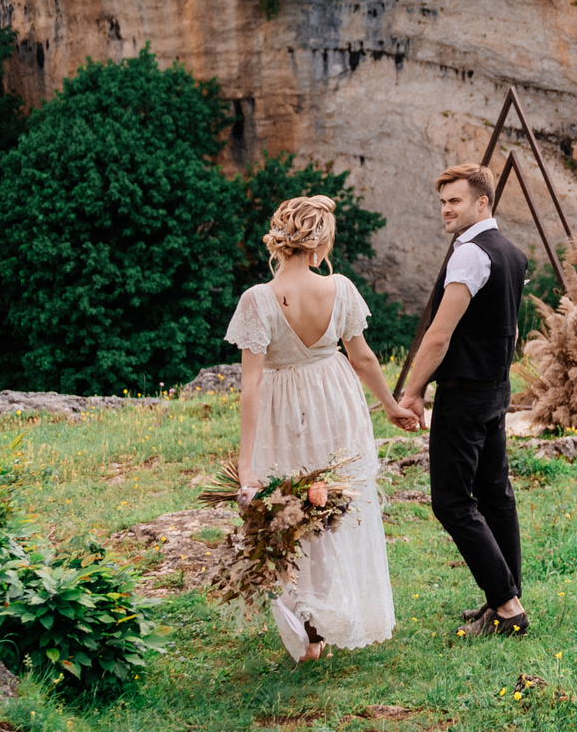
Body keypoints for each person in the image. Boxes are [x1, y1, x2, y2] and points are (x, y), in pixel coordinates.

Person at [224, 194, 421, 662]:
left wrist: (246, 465)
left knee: (289, 509)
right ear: (320, 244)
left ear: (281, 238)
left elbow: (249, 386)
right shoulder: (341, 289)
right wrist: (390, 406)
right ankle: (325, 617)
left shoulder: (258, 300)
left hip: (281, 407)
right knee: (333, 507)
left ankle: (312, 630)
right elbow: (363, 358)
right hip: (336, 402)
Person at [398, 162, 530, 638]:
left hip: (466, 395)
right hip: (495, 390)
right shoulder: (513, 253)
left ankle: (507, 607)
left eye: (454, 201)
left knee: (451, 503)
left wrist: (412, 391)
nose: (445, 210)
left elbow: (439, 335)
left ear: (482, 202)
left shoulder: (471, 254)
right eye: (442, 202)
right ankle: (505, 596)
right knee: (496, 495)